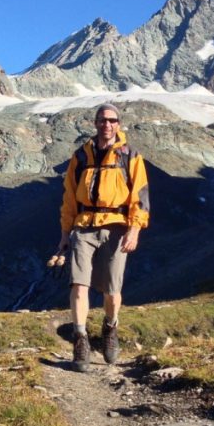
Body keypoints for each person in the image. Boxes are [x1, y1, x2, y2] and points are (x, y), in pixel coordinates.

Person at [58, 103, 150, 372]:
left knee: (112, 290)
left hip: (117, 227)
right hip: (83, 226)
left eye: (111, 120)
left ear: (118, 124)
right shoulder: (81, 157)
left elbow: (140, 198)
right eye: (102, 120)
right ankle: (80, 338)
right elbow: (68, 198)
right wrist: (65, 233)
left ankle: (110, 328)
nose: (106, 125)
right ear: (95, 123)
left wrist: (134, 230)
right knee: (79, 284)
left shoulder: (130, 156)